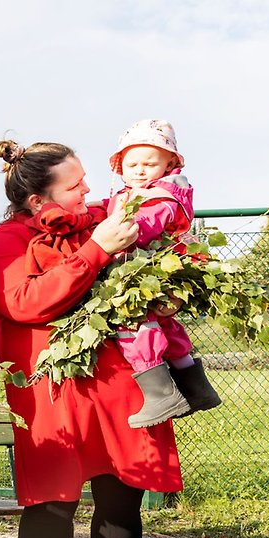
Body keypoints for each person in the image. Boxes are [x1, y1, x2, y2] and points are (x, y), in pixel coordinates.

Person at [0, 138, 184, 538]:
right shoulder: (3, 242)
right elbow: (25, 302)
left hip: (120, 389)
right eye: (75, 183)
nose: (89, 188)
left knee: (121, 497)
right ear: (38, 195)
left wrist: (171, 275)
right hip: (52, 395)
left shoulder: (100, 219)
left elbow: (161, 237)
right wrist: (98, 250)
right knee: (50, 503)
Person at [106, 118, 221, 427]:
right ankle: (196, 389)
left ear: (169, 163)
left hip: (146, 273)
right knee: (165, 327)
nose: (140, 170)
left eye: (149, 163)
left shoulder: (161, 197)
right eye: (132, 164)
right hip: (157, 273)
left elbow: (142, 226)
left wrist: (115, 234)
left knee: (133, 323)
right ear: (120, 165)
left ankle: (161, 396)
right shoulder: (139, 192)